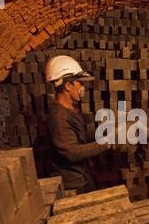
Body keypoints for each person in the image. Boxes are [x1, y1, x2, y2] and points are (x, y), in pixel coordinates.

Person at [45, 55, 111, 194]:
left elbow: (78, 139)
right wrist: (107, 142)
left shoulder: (71, 110)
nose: (82, 88)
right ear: (68, 86)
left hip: (83, 177)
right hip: (72, 185)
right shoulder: (59, 116)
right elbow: (72, 152)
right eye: (80, 83)